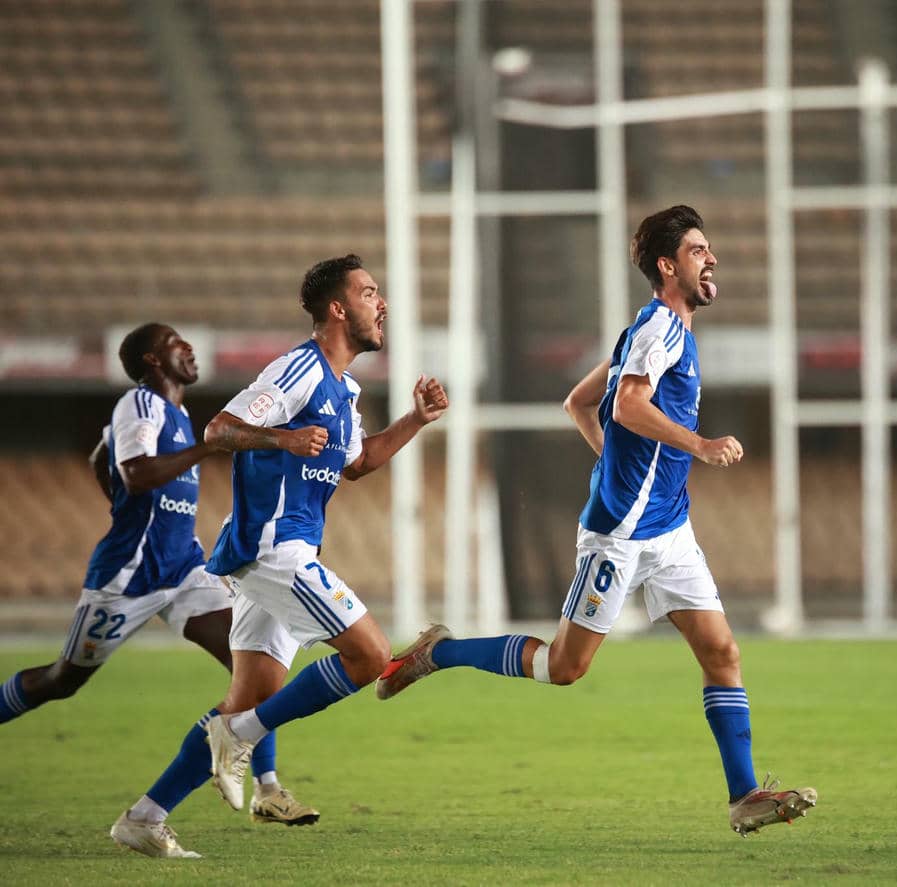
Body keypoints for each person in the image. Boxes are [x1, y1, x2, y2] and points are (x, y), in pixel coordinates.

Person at [376, 205, 817, 836]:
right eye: (697, 250)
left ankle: (744, 797)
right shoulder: (659, 328)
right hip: (619, 536)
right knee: (566, 667)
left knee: (722, 651)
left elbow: (579, 402)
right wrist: (697, 445)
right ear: (668, 267)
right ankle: (439, 654)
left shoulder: (663, 330)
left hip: (668, 529)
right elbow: (631, 404)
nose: (711, 257)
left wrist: (622, 463)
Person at [110, 255, 448, 859]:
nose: (383, 303)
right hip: (274, 548)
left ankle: (145, 816)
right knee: (370, 655)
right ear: (338, 309)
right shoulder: (299, 369)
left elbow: (358, 463)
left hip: (273, 553)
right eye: (370, 293)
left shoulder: (343, 389)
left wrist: (415, 420)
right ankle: (234, 740)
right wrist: (283, 438)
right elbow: (219, 429)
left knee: (250, 699)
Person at [0, 324, 318, 842]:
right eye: (176, 342)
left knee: (255, 666)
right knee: (62, 680)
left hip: (186, 570)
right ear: (152, 359)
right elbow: (137, 474)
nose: (189, 348)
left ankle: (268, 789)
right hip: (128, 576)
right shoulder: (140, 404)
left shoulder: (178, 415)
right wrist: (206, 450)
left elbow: (103, 459)